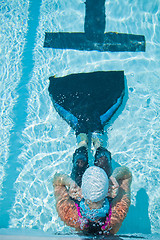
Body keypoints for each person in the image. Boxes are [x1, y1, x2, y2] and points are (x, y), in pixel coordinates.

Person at [53, 133, 132, 235]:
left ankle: (82, 143)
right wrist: (114, 178)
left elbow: (56, 181)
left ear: (81, 191)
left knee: (80, 161)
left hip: (88, 194)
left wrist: (70, 182)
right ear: (108, 191)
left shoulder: (70, 215)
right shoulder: (117, 213)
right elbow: (127, 175)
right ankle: (98, 144)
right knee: (103, 159)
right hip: (101, 194)